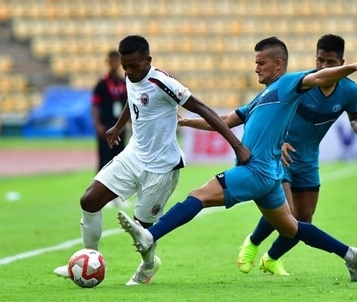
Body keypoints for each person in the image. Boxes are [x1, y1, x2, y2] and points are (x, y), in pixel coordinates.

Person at [117, 36, 357, 283]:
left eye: (261, 63)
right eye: (255, 63)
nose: (256, 68)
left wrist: (353, 67)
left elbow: (319, 77)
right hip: (270, 176)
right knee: (292, 228)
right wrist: (187, 121)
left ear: (278, 64)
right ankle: (351, 255)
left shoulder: (289, 83)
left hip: (256, 171)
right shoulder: (262, 96)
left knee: (198, 195)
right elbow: (225, 121)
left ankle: (150, 235)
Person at [53, 35, 250, 285]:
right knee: (89, 200)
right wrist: (118, 126)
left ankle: (148, 266)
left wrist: (237, 146)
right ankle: (88, 259)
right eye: (125, 67)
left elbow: (205, 110)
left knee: (142, 231)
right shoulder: (130, 74)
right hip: (133, 156)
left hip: (162, 168)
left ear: (148, 60)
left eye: (134, 66)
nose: (129, 72)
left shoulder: (163, 82)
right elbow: (133, 98)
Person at [178, 34, 357, 275]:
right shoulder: (302, 83)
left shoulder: (350, 91)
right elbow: (271, 115)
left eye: (331, 62)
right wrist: (279, 142)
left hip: (308, 159)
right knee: (286, 213)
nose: (323, 66)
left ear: (341, 61)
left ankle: (271, 258)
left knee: (303, 220)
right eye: (320, 60)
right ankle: (253, 243)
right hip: (279, 157)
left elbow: (355, 118)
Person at [91, 51, 128, 208]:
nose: (114, 64)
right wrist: (98, 125)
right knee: (104, 160)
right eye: (112, 61)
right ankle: (101, 197)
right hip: (106, 127)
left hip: (119, 127)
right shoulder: (101, 84)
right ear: (108, 62)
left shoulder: (124, 82)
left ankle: (117, 195)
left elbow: (129, 105)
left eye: (116, 61)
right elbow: (94, 106)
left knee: (119, 160)